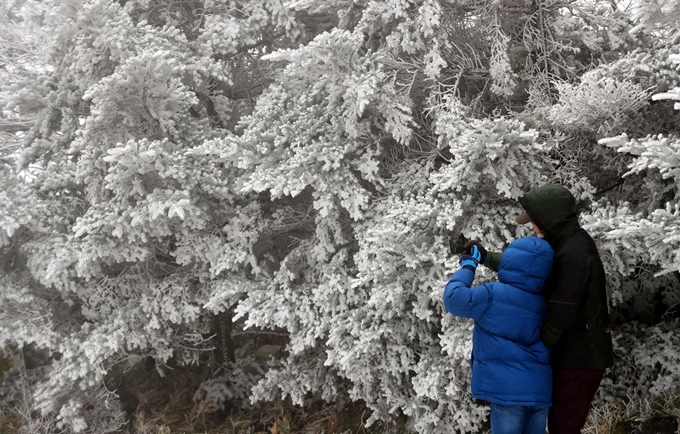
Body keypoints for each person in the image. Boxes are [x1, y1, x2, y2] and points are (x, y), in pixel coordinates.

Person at [464, 184, 614, 434]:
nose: (532, 227)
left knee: (562, 429)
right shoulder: (566, 244)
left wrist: (531, 350)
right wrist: (484, 256)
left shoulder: (574, 253)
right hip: (574, 355)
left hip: (579, 359)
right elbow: (524, 267)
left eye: (534, 221)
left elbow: (561, 313)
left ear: (549, 220)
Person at [443, 237, 554, 434]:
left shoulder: (492, 295)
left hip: (507, 392)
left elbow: (454, 299)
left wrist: (468, 266)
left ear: (510, 261)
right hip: (539, 391)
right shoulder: (545, 303)